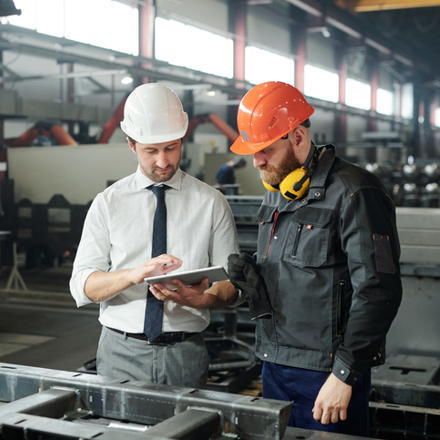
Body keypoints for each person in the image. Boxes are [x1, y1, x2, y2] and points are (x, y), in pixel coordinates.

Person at [227, 81, 402, 436]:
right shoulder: (277, 192)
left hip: (326, 374)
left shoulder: (355, 191)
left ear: (296, 137)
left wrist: (345, 373)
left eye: (264, 149)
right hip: (274, 365)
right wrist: (254, 283)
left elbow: (378, 289)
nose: (256, 160)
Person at [70, 83, 240, 389]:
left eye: (171, 148)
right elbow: (83, 286)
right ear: (131, 145)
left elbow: (233, 285)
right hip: (120, 351)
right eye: (151, 151)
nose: (163, 161)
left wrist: (203, 298)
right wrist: (136, 274)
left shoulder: (211, 202)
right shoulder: (108, 203)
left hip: (185, 352)